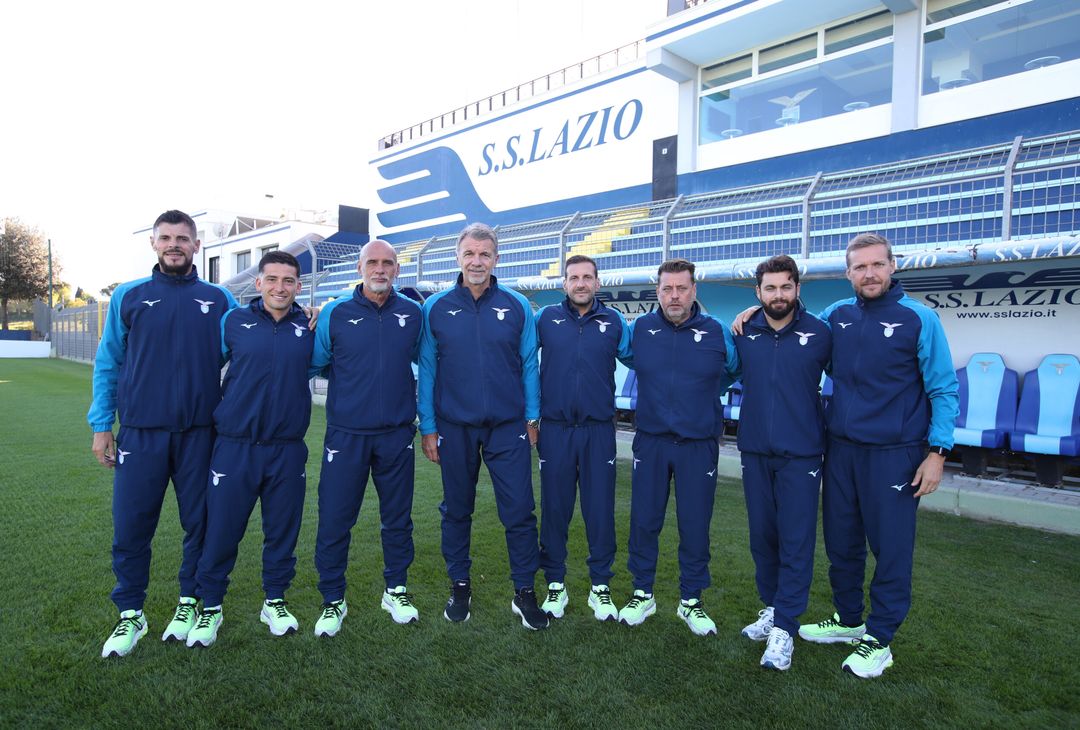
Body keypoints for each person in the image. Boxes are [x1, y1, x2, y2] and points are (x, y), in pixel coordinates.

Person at [733, 233, 958, 678]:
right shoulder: (836, 318)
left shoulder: (919, 319)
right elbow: (791, 329)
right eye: (860, 267)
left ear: (893, 266)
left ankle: (881, 637)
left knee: (890, 547)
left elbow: (943, 388)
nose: (869, 273)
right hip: (839, 450)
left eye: (877, 265)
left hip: (896, 453)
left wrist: (938, 452)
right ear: (848, 272)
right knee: (843, 542)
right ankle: (849, 619)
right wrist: (753, 312)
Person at [89, 210, 237, 657]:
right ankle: (130, 613)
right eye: (166, 238)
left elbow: (247, 349)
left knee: (200, 525)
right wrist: (102, 426)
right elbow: (108, 361)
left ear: (196, 246)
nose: (175, 244)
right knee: (131, 527)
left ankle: (188, 603)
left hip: (200, 435)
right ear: (154, 243)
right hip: (140, 434)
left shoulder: (220, 298)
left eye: (183, 238)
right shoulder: (129, 297)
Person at [417, 222, 548, 630]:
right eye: (470, 254)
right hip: (454, 427)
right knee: (457, 510)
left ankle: (524, 591)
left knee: (520, 511)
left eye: (484, 254)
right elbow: (427, 368)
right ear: (458, 257)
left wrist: (532, 416)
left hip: (508, 426)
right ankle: (459, 584)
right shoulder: (435, 306)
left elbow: (529, 363)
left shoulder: (517, 305)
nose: (477, 261)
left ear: (496, 259)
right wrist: (428, 426)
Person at [185, 251, 315, 647]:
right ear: (258, 284)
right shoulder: (233, 321)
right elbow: (206, 368)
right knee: (221, 531)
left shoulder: (310, 327)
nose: (280, 287)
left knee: (282, 532)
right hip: (235, 447)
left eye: (289, 281)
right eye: (272, 279)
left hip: (287, 449)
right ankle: (210, 605)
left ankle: (274, 600)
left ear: (298, 286)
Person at [308, 240, 423, 637]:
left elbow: (426, 363)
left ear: (397, 269)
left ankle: (396, 589)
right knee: (336, 519)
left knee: (397, 519)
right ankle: (332, 599)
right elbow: (316, 361)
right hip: (347, 435)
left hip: (396, 436)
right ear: (359, 267)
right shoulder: (335, 313)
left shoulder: (413, 313)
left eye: (388, 263)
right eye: (372, 262)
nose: (380, 269)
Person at [618, 258, 739, 636]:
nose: (674, 295)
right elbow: (625, 356)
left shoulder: (717, 331)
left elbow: (733, 370)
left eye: (681, 288)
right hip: (651, 442)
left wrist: (699, 397)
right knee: (644, 521)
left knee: (695, 525)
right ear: (658, 291)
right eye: (667, 289)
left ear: (694, 291)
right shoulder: (640, 330)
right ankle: (642, 593)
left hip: (698, 445)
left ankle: (691, 601)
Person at [732, 255, 831, 671]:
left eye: (785, 287)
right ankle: (773, 608)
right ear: (758, 293)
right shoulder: (743, 332)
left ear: (797, 289)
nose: (778, 295)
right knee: (763, 539)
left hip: (802, 454)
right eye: (769, 289)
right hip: (755, 451)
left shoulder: (821, 333)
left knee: (796, 541)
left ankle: (786, 628)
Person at [534, 254, 632, 621]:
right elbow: (523, 357)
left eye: (587, 277)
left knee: (599, 510)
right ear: (564, 284)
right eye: (573, 277)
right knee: (555, 510)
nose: (580, 283)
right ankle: (555, 585)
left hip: (598, 431)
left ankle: (600, 588)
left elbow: (645, 357)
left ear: (597, 282)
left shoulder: (614, 320)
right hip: (556, 430)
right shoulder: (545, 319)